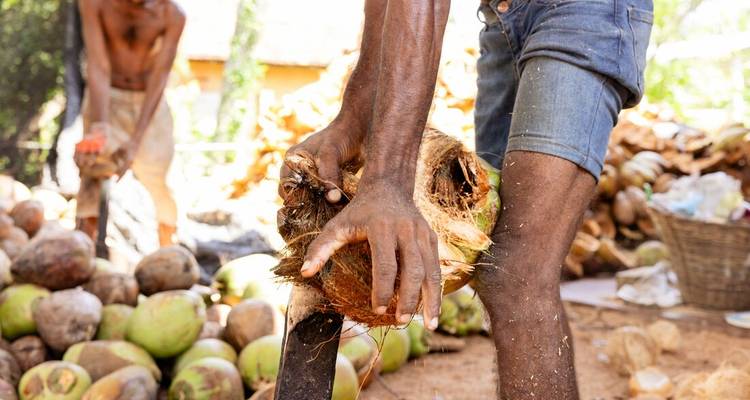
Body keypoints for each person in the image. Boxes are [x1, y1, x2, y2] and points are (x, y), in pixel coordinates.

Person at [279, 0, 652, 398]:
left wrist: (388, 182)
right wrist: (356, 115)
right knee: (493, 263)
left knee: (517, 271)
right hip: (505, 18)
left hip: (584, 11)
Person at [76, 0, 185, 246]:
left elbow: (160, 76)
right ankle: (81, 252)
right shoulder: (94, 4)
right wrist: (100, 125)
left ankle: (169, 255)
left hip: (149, 103)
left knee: (162, 181)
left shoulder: (172, 15)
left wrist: (135, 142)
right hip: (105, 96)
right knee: (92, 171)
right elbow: (98, 64)